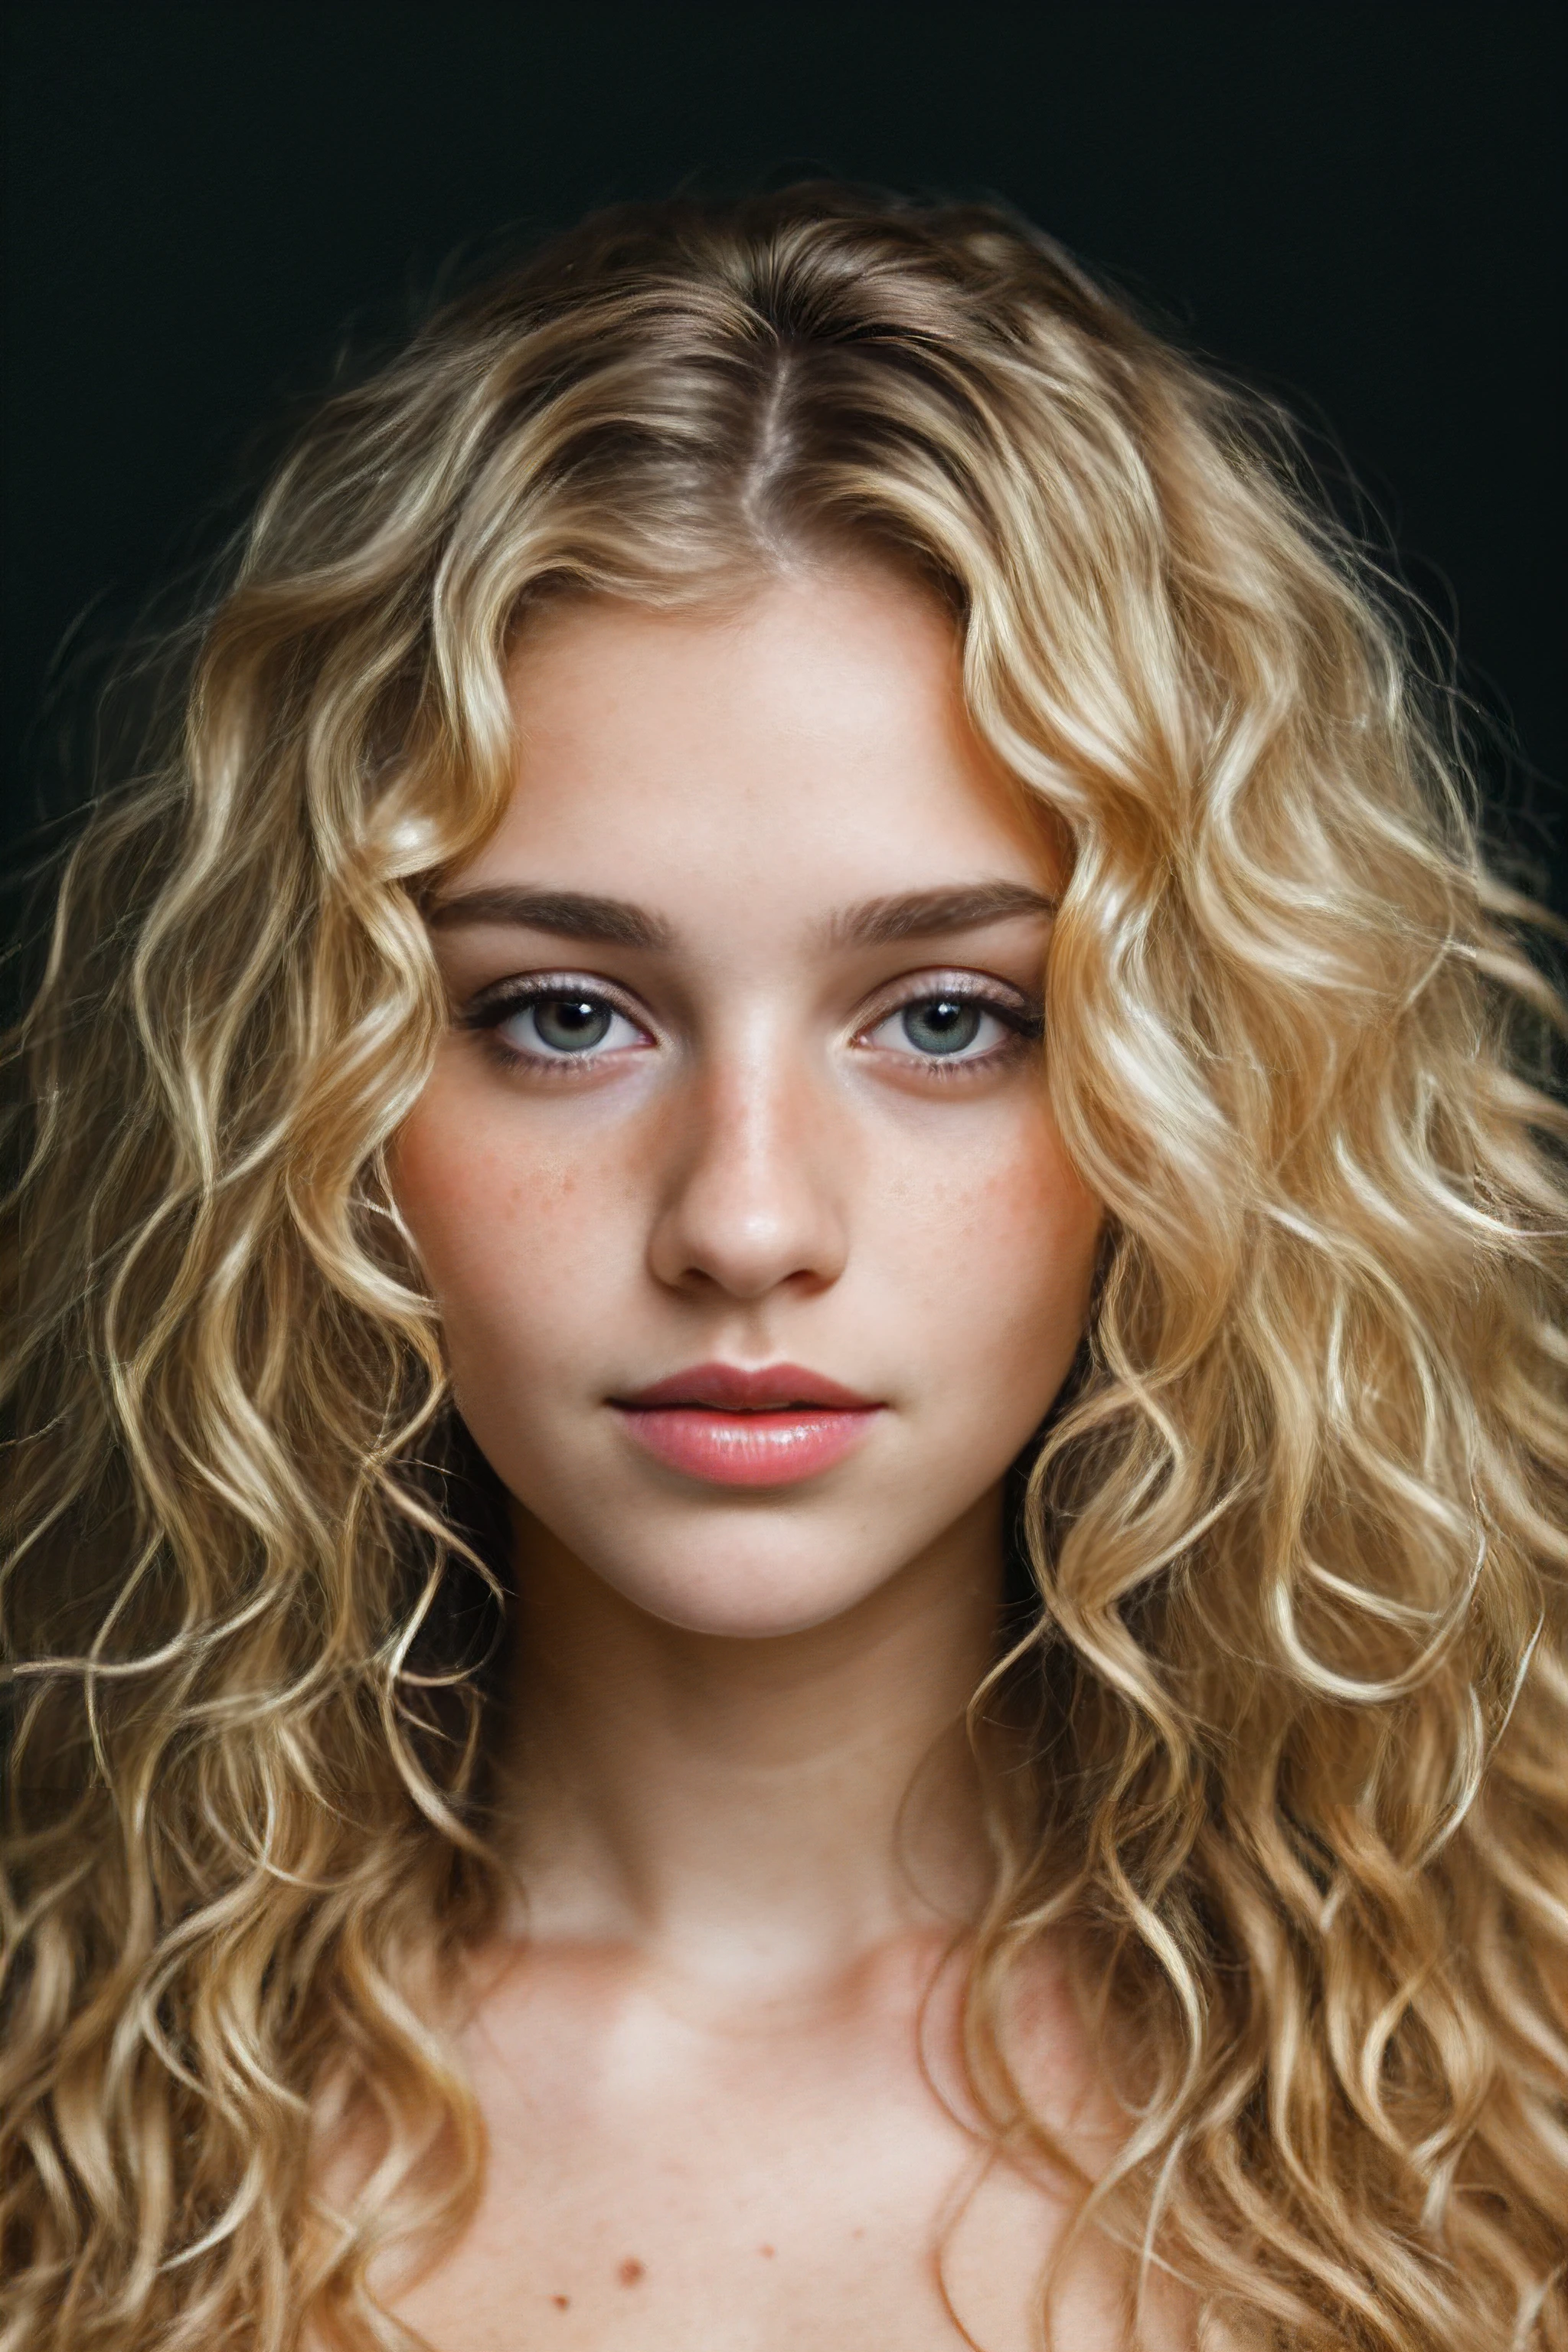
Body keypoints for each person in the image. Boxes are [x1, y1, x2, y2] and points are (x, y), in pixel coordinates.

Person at [2, 185, 1564, 2352]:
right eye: (564, 1013)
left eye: (948, 1018)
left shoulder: (1513, 2115)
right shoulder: (55, 2135)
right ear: (312, 1085)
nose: (746, 1224)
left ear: (1211, 1086)